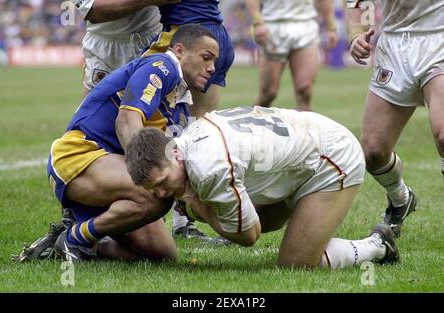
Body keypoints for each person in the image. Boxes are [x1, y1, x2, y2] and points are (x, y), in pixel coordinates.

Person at [125, 106, 399, 269]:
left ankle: (377, 245)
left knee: (296, 265)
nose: (162, 194)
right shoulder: (186, 141)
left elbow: (249, 237)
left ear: (175, 155)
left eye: (162, 182)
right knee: (262, 219)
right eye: (154, 190)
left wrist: (196, 205)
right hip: (307, 139)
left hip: (330, 157)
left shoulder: (209, 169)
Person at [46, 24, 218, 262]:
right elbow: (127, 121)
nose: (212, 68)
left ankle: (76, 243)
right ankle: (75, 238)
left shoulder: (180, 104)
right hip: (78, 156)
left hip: (111, 170)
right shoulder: (162, 66)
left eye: (214, 62)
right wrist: (153, 177)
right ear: (179, 50)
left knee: (162, 255)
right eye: (206, 58)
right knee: (157, 190)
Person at [346, 0, 444, 237]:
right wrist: (356, 34)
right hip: (395, 46)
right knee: (373, 151)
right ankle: (401, 199)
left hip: (439, 37)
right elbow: (357, 2)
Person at [142, 0, 235, 239]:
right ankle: (187, 219)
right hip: (215, 33)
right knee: (200, 132)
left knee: (159, 131)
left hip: (186, 34)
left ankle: (154, 217)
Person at [245, 0, 338, 111]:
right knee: (268, 93)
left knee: (305, 90)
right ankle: (252, 124)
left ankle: (304, 127)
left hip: (306, 25)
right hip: (273, 26)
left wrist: (331, 27)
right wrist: (258, 23)